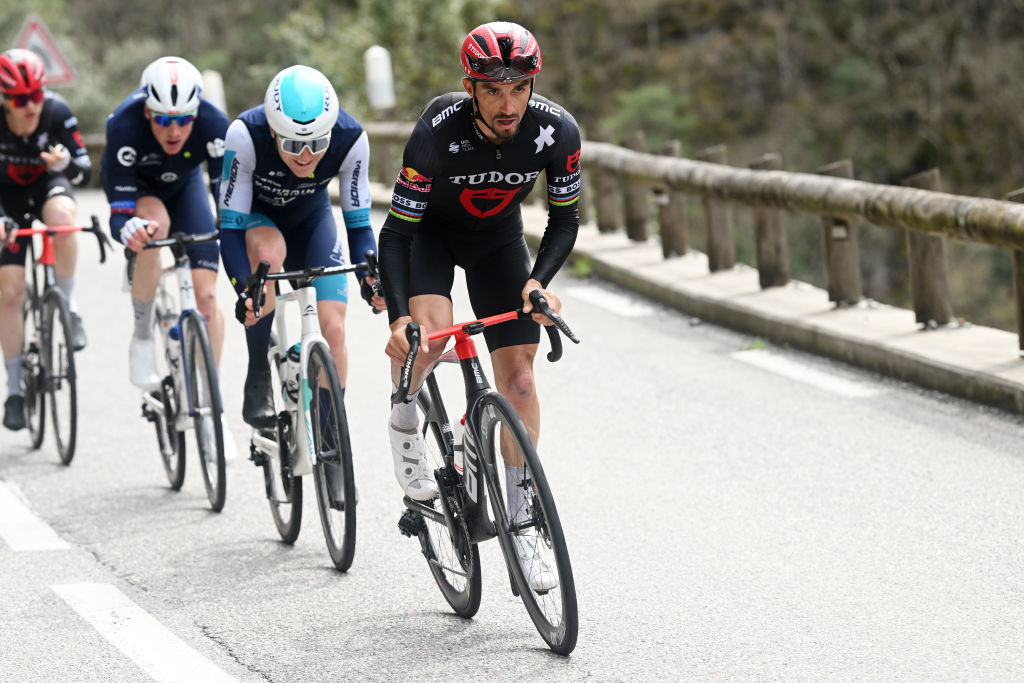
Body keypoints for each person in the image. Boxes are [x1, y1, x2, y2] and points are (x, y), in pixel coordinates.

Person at [378, 21, 581, 589]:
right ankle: (403, 418)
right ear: (471, 88)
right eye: (493, 89)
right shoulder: (438, 129)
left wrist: (538, 282)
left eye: (519, 88)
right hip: (430, 238)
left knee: (518, 382)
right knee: (433, 339)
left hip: (498, 242)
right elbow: (395, 234)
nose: (507, 103)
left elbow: (564, 219)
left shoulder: (556, 131)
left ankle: (522, 523)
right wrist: (399, 318)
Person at [219, 64, 382, 434]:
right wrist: (244, 289)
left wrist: (369, 278)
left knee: (335, 330)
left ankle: (329, 442)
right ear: (273, 131)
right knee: (268, 257)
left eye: (317, 143)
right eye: (293, 144)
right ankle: (258, 369)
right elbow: (229, 228)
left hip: (311, 222)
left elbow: (358, 227)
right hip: (258, 220)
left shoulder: (351, 138)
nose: (306, 155)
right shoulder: (245, 135)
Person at [101, 56, 235, 456]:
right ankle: (142, 335)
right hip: (142, 191)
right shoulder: (123, 125)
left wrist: (230, 224)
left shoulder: (214, 124)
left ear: (197, 112)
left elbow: (226, 195)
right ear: (147, 111)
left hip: (187, 188)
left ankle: (212, 408)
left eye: (182, 119)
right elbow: (118, 212)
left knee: (207, 296)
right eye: (162, 121)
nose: (173, 130)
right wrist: (127, 228)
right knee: (152, 229)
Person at [0, 48, 91, 431]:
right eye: (21, 100)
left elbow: (86, 173)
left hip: (48, 189)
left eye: (36, 94)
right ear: (5, 100)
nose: (30, 106)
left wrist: (66, 164)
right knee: (10, 291)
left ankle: (66, 306)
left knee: (64, 218)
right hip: (6, 200)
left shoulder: (55, 112)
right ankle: (15, 388)